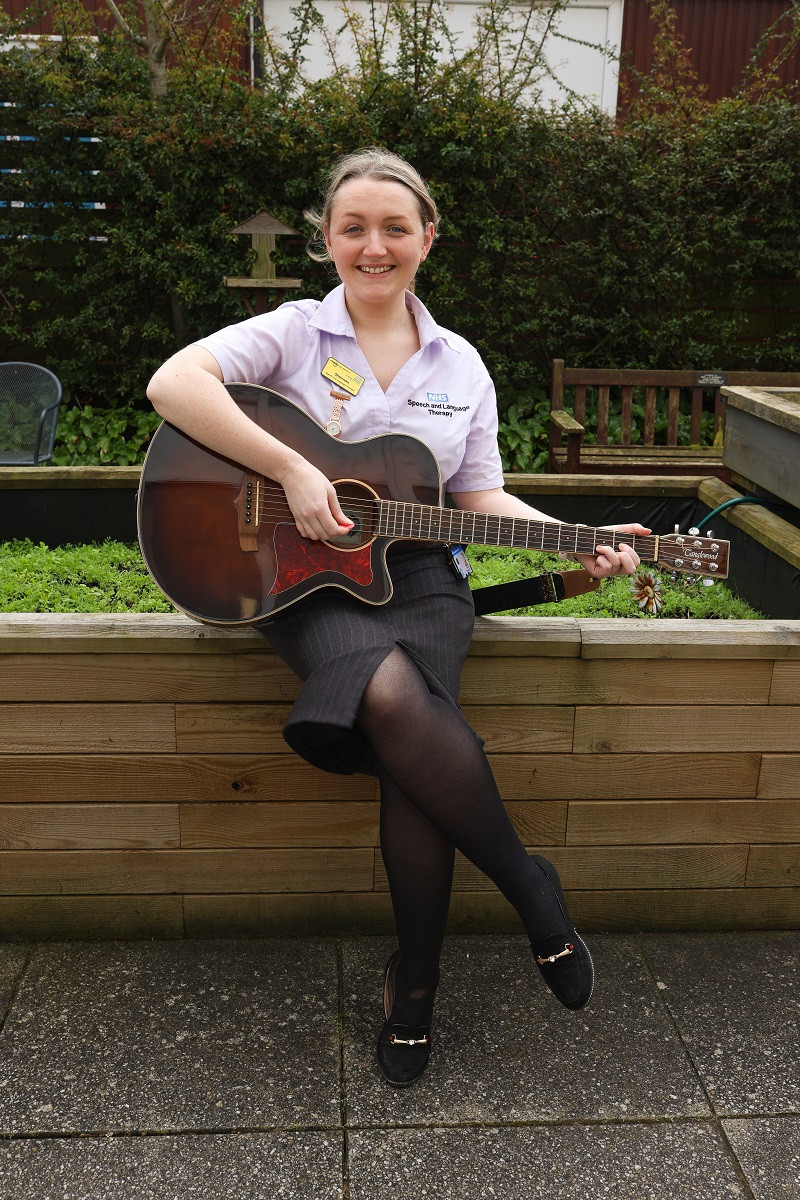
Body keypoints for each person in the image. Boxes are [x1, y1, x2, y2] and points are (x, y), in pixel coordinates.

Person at [147, 147, 649, 1087]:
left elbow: (480, 494)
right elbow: (175, 386)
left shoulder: (460, 363)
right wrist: (296, 469)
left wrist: (576, 535)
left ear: (427, 239)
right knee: (390, 696)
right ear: (328, 240)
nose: (373, 247)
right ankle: (530, 890)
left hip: (421, 580)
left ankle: (413, 989)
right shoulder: (295, 332)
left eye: (394, 228)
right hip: (294, 575)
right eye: (353, 228)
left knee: (414, 760)